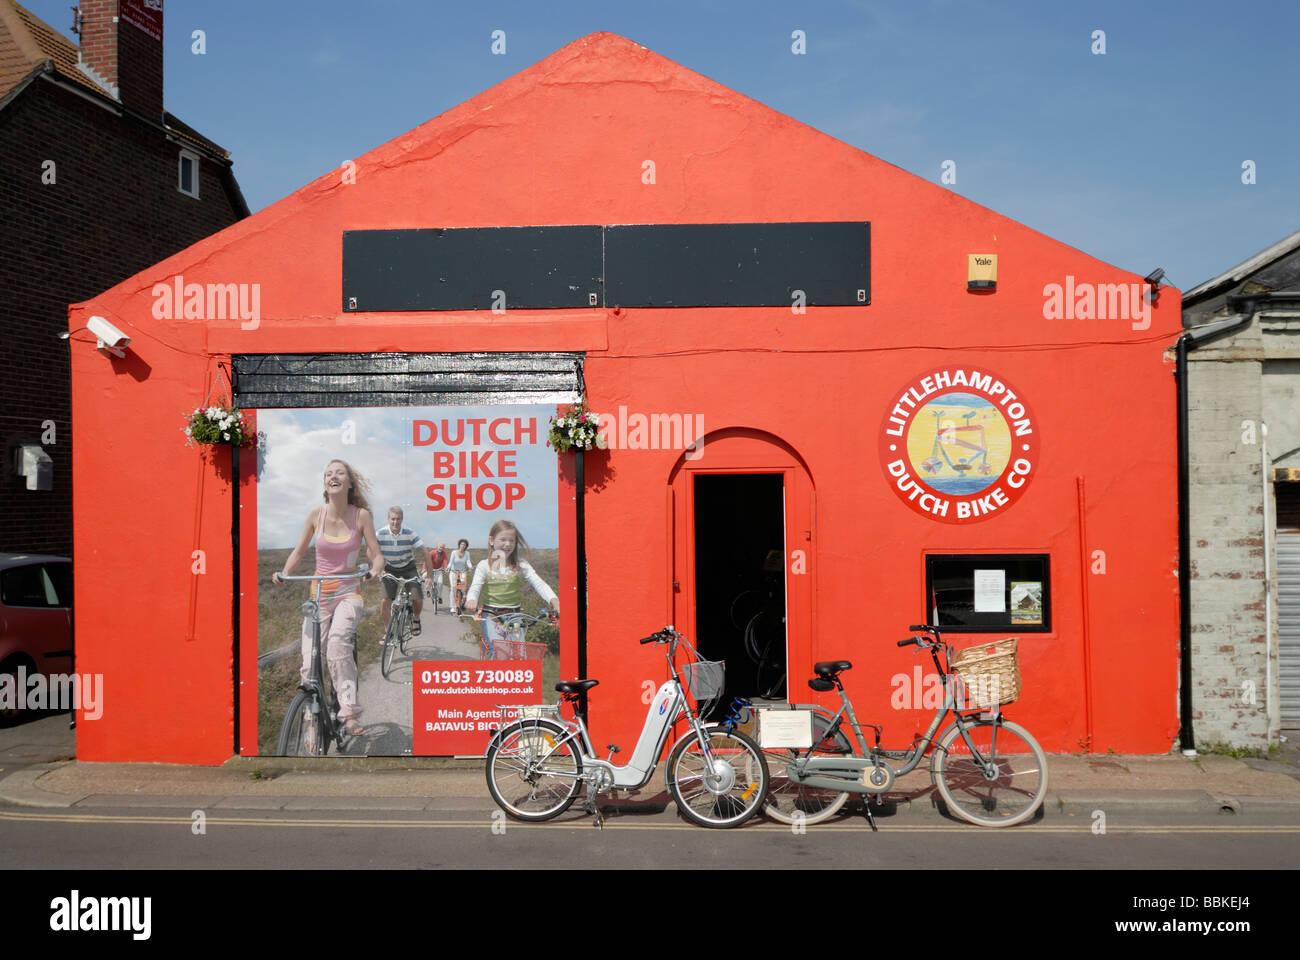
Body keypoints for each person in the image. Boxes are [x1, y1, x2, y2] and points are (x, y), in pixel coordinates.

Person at [273, 459, 384, 737]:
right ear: (325, 483)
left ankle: (348, 713)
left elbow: (375, 552)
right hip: (319, 593)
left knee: (337, 648)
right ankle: (311, 716)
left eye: (339, 473)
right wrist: (284, 573)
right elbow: (299, 553)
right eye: (328, 474)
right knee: (310, 661)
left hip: (348, 592)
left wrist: (375, 569)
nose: (333, 476)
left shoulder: (361, 516)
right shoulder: (315, 515)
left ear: (349, 483)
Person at [464, 520, 559, 658]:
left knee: (519, 656)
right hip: (492, 616)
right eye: (503, 539)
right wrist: (471, 600)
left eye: (512, 541)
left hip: (516, 617)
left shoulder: (520, 564)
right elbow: (475, 586)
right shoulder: (484, 565)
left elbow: (539, 584)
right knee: (499, 653)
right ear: (491, 540)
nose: (508, 544)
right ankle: (492, 677)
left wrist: (555, 602)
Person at [376, 506, 433, 635]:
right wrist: (377, 569)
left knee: (417, 597)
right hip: (390, 568)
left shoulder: (410, 533)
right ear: (388, 519)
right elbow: (372, 551)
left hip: (408, 568)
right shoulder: (380, 534)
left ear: (402, 519)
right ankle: (388, 631)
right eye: (393, 519)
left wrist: (430, 576)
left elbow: (425, 553)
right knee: (385, 601)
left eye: (398, 519)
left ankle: (416, 619)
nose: (395, 522)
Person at [446, 538, 473, 614]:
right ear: (459, 545)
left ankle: (463, 598)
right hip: (453, 572)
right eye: (461, 544)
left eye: (464, 545)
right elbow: (450, 562)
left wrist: (470, 566)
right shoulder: (454, 552)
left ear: (466, 546)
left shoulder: (467, 553)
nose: (463, 546)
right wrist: (448, 568)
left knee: (463, 586)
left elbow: (468, 562)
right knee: (453, 588)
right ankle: (452, 606)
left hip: (462, 572)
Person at [427, 541, 448, 610]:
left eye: (442, 547)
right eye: (440, 547)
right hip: (431, 569)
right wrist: (424, 568)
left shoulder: (444, 554)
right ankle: (428, 591)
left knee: (440, 583)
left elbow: (445, 561)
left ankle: (439, 597)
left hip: (439, 570)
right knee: (427, 579)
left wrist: (445, 568)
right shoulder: (432, 552)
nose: (441, 548)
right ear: (437, 547)